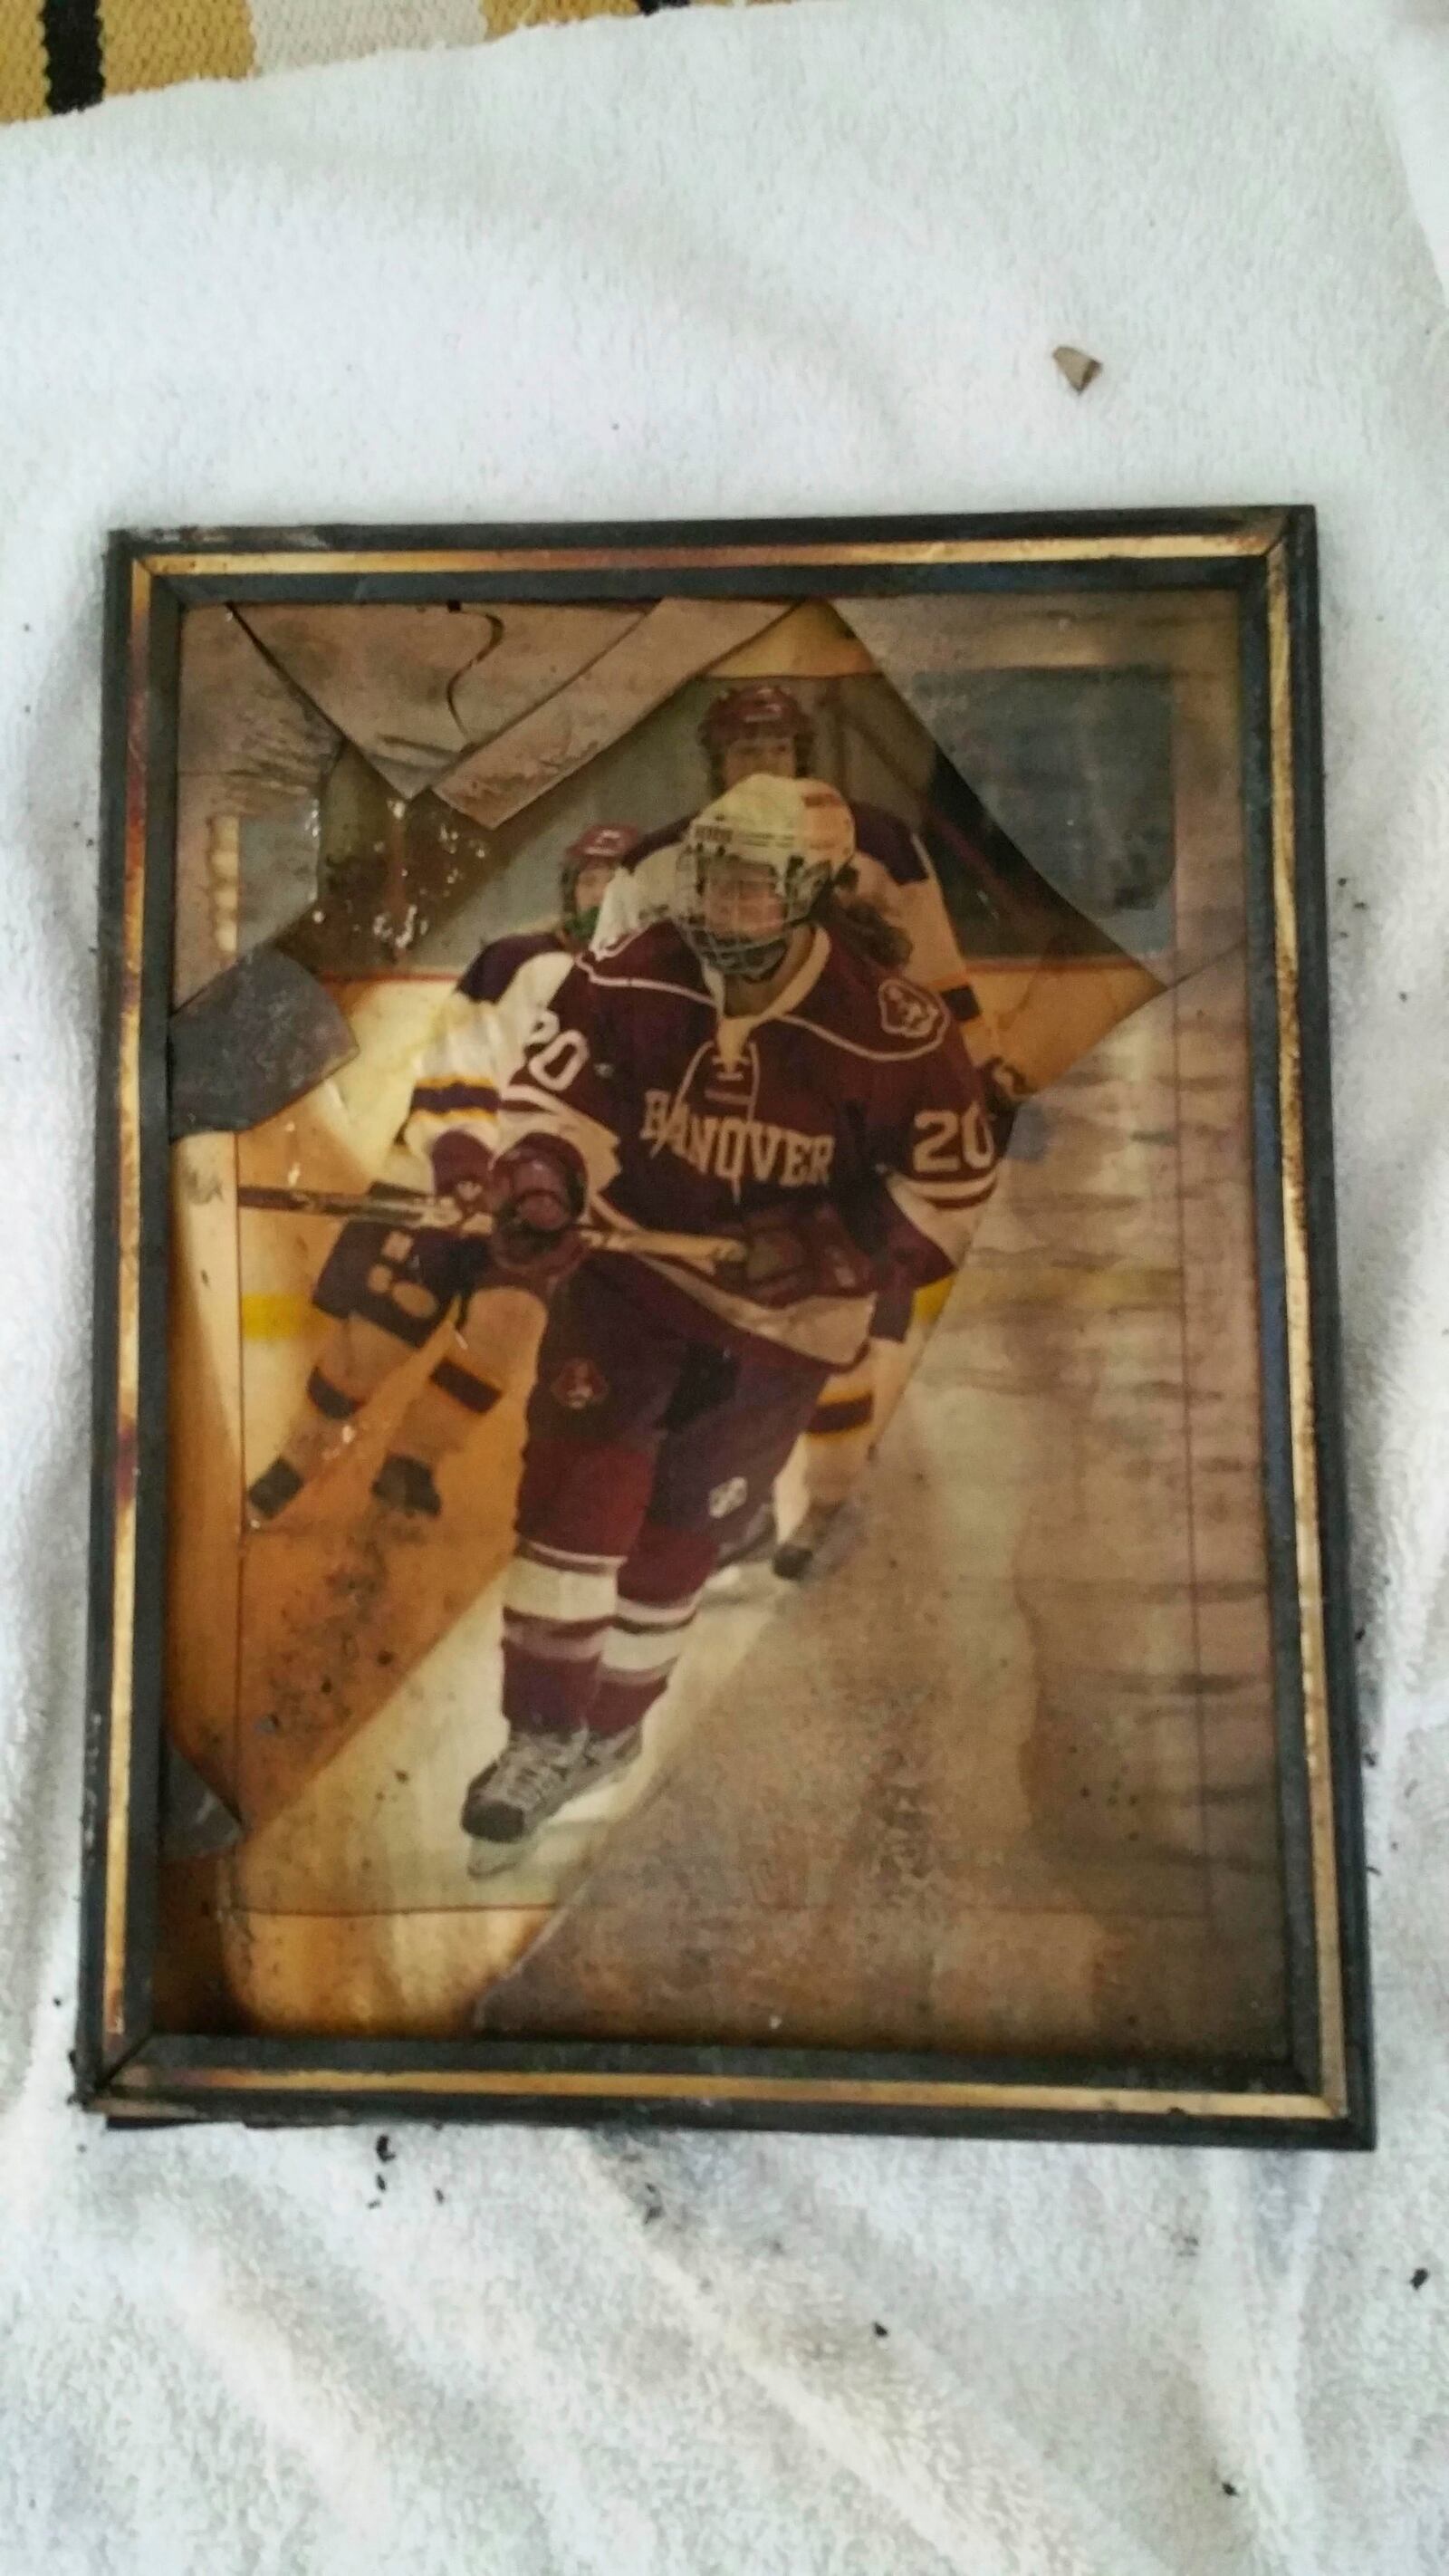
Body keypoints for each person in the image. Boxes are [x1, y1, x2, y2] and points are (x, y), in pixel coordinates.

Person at [453, 774, 1001, 1873]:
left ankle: (607, 1732)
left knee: (677, 1533)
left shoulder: (895, 1029)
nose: (722, 904)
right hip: (631, 1287)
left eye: (753, 885)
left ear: (809, 890)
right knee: (573, 1497)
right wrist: (545, 1184)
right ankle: (537, 1734)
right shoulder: (635, 972)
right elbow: (558, 1100)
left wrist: (827, 1246)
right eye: (711, 877)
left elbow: (946, 1191)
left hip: (780, 1332)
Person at [244, 824, 638, 1529]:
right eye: (590, 879)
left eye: (620, 882)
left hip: (545, 1206)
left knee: (509, 1322)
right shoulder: (516, 962)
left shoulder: (660, 1001)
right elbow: (457, 1069)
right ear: (568, 888)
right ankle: (293, 1464)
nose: (603, 895)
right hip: (444, 1174)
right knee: (377, 1339)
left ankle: (412, 1465)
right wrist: (468, 1174)